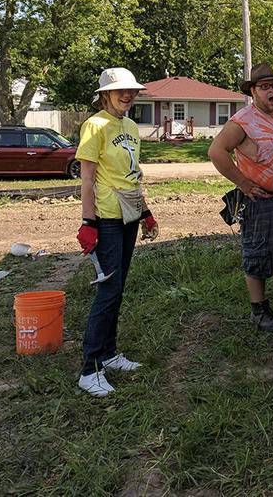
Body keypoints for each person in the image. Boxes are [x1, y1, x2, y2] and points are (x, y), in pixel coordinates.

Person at [208, 63, 273, 333]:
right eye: (264, 87)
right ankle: (260, 310)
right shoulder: (243, 121)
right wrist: (242, 183)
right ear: (253, 91)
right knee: (258, 254)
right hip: (260, 200)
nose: (271, 91)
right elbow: (216, 151)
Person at [76, 67, 159, 397]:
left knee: (118, 286)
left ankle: (109, 355)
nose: (128, 95)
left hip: (130, 215)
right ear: (106, 94)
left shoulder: (130, 127)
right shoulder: (95, 125)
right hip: (107, 218)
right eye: (120, 91)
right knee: (108, 290)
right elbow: (86, 179)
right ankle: (89, 368)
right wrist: (88, 222)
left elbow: (133, 175)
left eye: (132, 91)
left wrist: (147, 212)